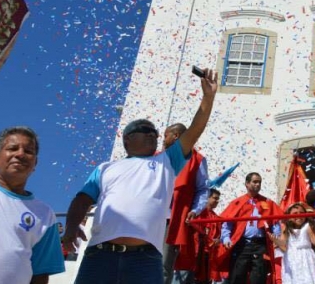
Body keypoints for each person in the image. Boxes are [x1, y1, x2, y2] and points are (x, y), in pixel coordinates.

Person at [62, 69, 219, 284]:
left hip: (145, 259)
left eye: (154, 131)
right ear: (127, 140)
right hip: (100, 256)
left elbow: (194, 130)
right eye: (144, 130)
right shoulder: (106, 168)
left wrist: (208, 97)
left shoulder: (167, 161)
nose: (152, 133)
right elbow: (82, 200)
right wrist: (71, 228)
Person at [0, 126, 65, 284]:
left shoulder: (45, 215)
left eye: (29, 151)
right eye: (12, 148)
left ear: (35, 163)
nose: (20, 154)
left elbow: (40, 273)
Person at [164, 122, 211, 284]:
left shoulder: (197, 160)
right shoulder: (157, 157)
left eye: (165, 136)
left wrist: (195, 210)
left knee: (163, 266)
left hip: (172, 220)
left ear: (176, 136)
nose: (163, 140)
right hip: (148, 219)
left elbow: (203, 189)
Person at [220, 172, 283, 284]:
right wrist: (226, 238)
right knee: (237, 277)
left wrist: (277, 238)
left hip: (261, 245)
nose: (258, 184)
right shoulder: (237, 202)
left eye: (259, 182)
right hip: (242, 245)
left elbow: (275, 222)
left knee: (259, 278)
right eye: (255, 182)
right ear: (247, 184)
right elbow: (227, 223)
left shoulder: (267, 202)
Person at [273, 202, 315, 284]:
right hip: (291, 258)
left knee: (308, 279)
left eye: (301, 213)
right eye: (295, 213)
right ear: (289, 217)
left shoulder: (307, 226)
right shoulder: (286, 229)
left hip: (306, 257)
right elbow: (282, 242)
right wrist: (275, 240)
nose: (299, 216)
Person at [194, 189, 224, 284]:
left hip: (209, 253)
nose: (217, 201)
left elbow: (220, 235)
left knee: (206, 280)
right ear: (207, 198)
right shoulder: (198, 213)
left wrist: (218, 240)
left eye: (218, 199)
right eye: (215, 198)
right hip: (197, 251)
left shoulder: (216, 217)